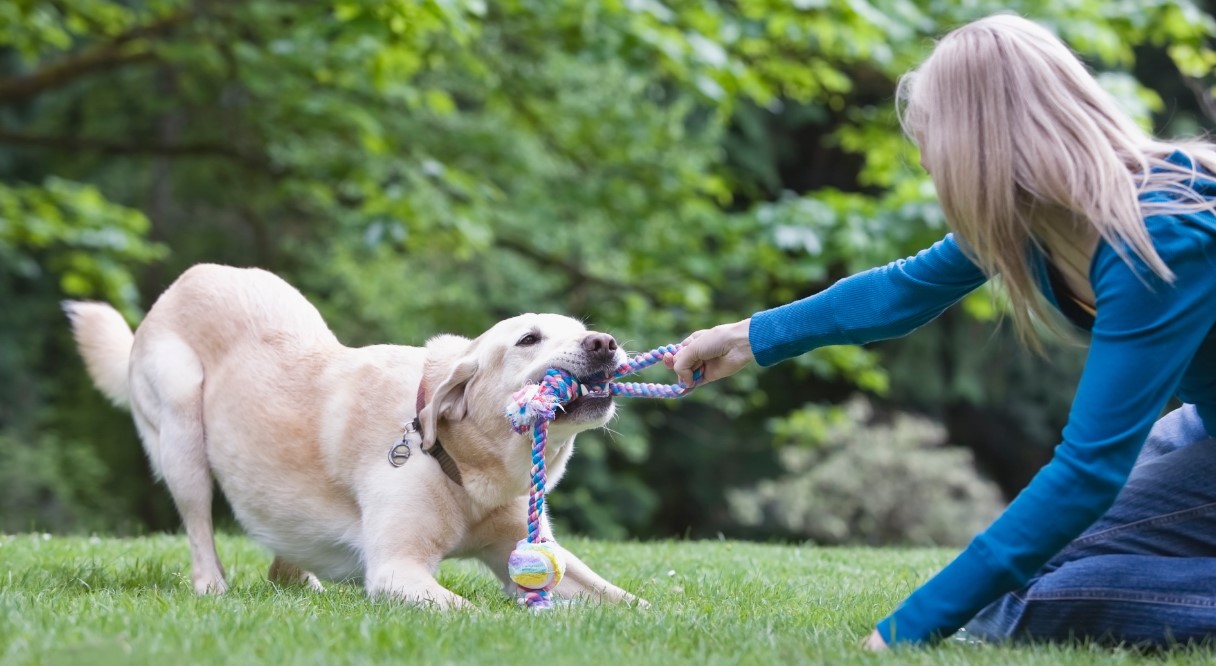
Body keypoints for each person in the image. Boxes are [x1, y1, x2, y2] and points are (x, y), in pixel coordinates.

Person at [665, 13, 1216, 649]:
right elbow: (900, 291)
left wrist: (904, 631)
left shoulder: (1159, 238)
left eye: (931, 137)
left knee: (1020, 602)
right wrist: (745, 338)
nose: (925, 159)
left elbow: (1088, 471)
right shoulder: (1036, 219)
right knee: (1021, 579)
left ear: (979, 144)